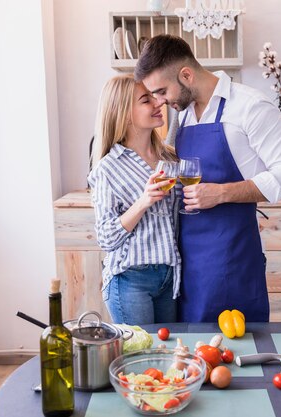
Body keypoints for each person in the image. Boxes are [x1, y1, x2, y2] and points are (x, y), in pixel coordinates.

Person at [135, 35, 281, 323]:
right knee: (193, 354)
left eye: (162, 91)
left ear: (186, 75)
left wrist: (222, 193)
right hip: (188, 260)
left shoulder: (250, 106)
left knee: (239, 351)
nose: (161, 102)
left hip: (232, 255)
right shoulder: (183, 114)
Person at [88, 74, 181, 325]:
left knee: (166, 354)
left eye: (155, 96)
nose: (157, 103)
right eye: (145, 100)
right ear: (125, 113)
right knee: (140, 358)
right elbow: (106, 238)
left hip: (170, 278)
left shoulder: (171, 159)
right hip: (130, 281)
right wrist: (143, 202)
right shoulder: (108, 169)